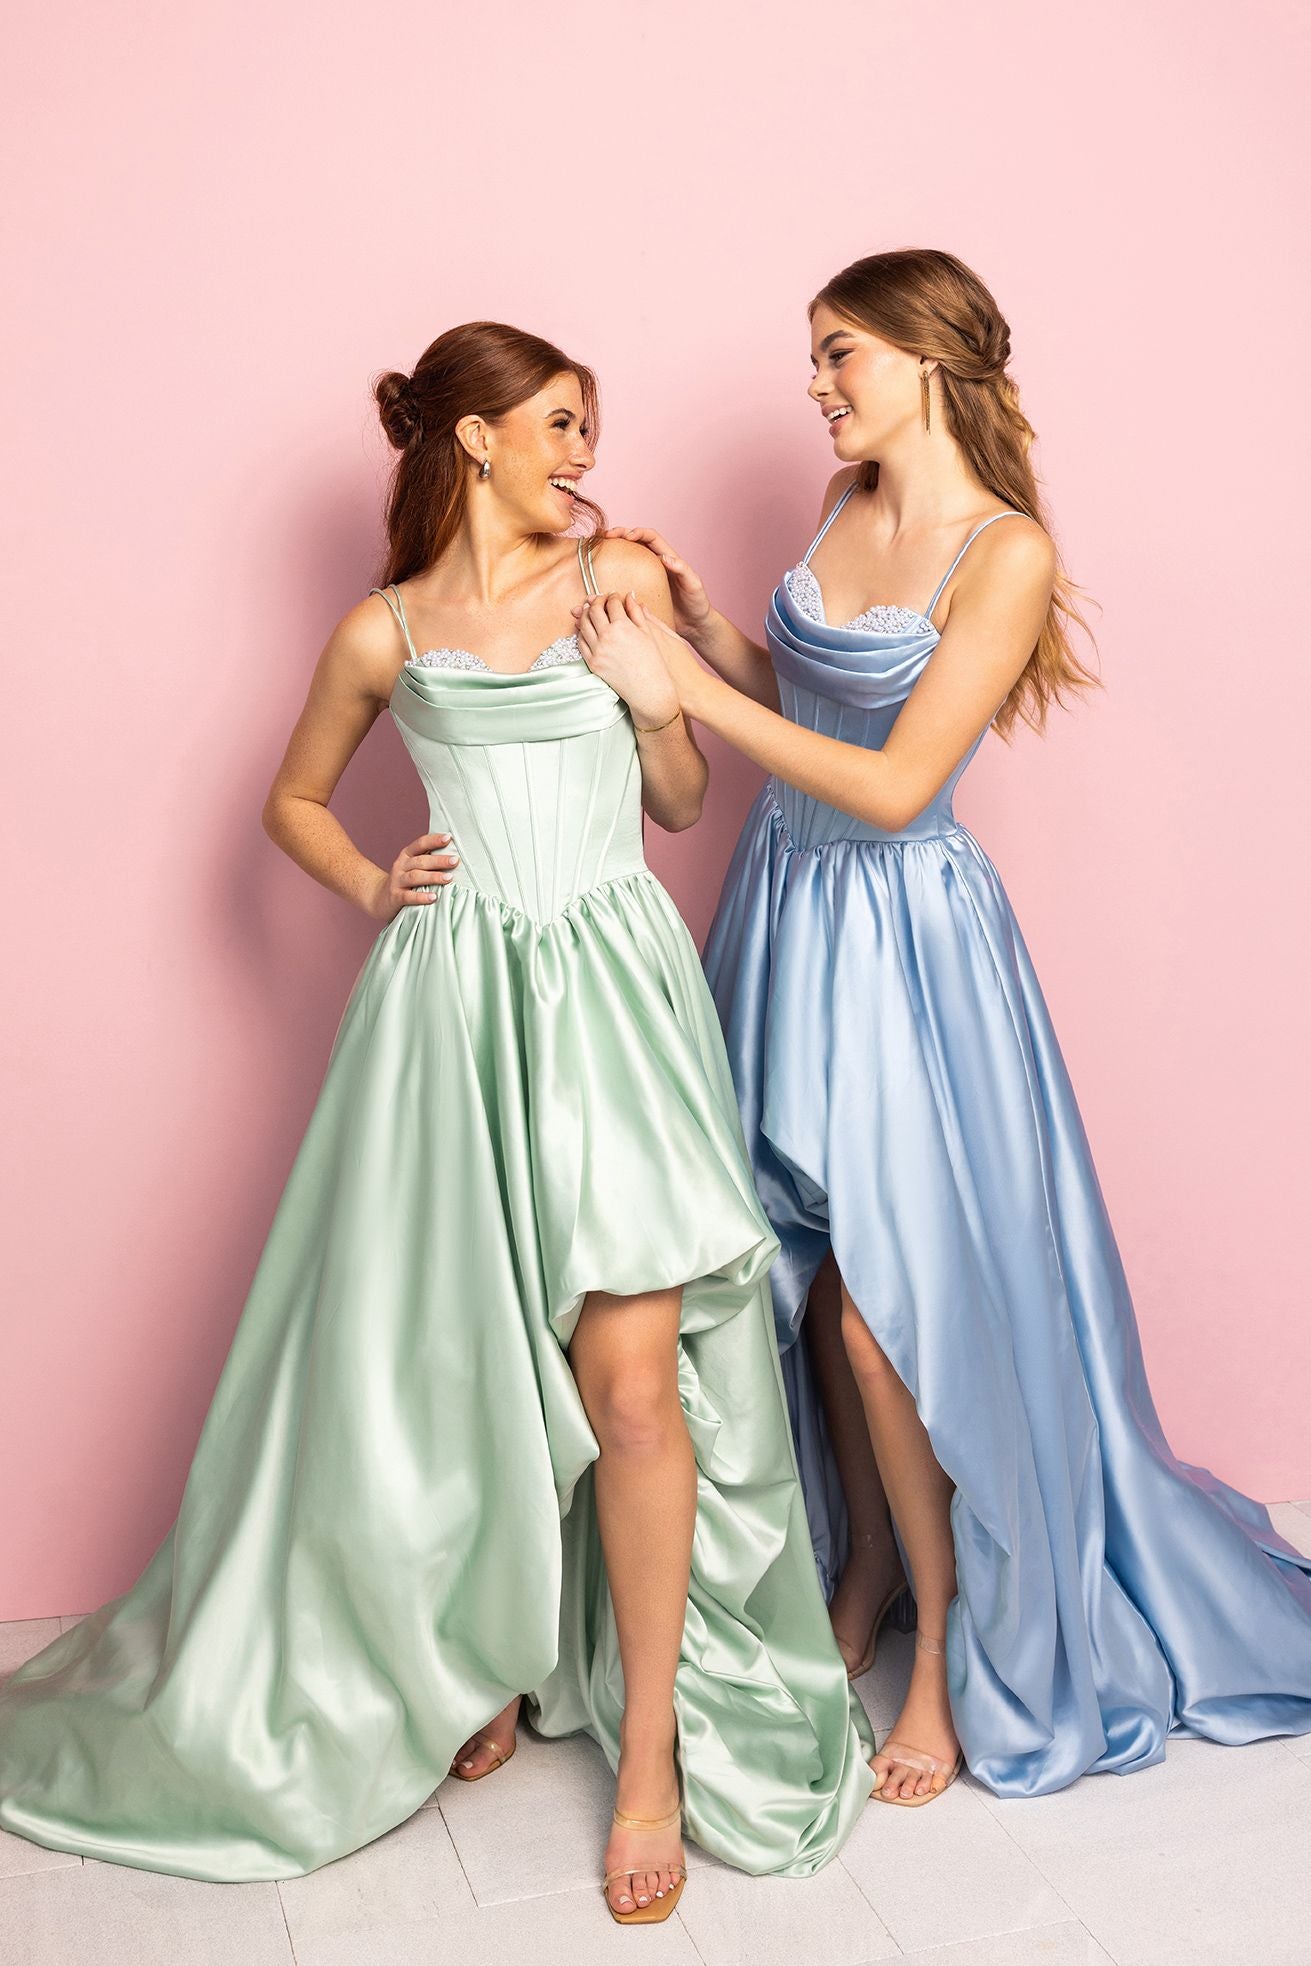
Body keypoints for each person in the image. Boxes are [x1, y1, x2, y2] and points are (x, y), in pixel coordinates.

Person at [0, 321, 875, 1914]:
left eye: (588, 426)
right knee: (470, 1364)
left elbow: (681, 802)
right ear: (475, 437)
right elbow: (289, 802)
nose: (584, 453)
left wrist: (656, 698)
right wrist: (368, 879)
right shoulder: (384, 628)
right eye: (559, 424)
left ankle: (651, 1758)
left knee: (634, 1391)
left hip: (610, 1004)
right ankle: (486, 1655)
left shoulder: (619, 577)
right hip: (450, 1015)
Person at [593, 249, 1311, 1807]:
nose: (817, 384)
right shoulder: (845, 501)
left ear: (926, 358)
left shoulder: (1007, 552)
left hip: (907, 940)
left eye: (840, 352)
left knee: (889, 1311)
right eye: (814, 355)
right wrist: (709, 630)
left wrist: (685, 694)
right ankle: (866, 1570)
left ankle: (946, 1642)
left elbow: (898, 781)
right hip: (787, 905)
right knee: (801, 1276)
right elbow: (816, 702)